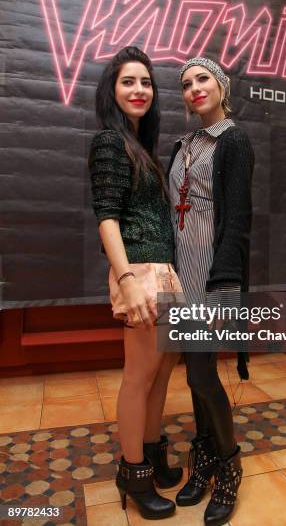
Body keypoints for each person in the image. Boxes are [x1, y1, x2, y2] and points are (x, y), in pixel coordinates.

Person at [88, 46, 183, 520]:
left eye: (146, 82)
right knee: (138, 375)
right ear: (113, 89)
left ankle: (152, 454)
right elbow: (106, 219)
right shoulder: (109, 141)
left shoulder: (141, 145)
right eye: (128, 81)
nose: (139, 90)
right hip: (139, 272)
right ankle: (132, 471)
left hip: (163, 270)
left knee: (162, 372)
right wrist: (127, 280)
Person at [168, 57, 255, 526]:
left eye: (203, 79)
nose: (194, 88)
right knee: (192, 377)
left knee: (202, 377)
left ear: (221, 86)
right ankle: (202, 459)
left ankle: (229, 467)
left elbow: (238, 219)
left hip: (209, 278)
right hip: (180, 279)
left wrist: (225, 288)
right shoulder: (182, 145)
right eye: (186, 84)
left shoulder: (234, 140)